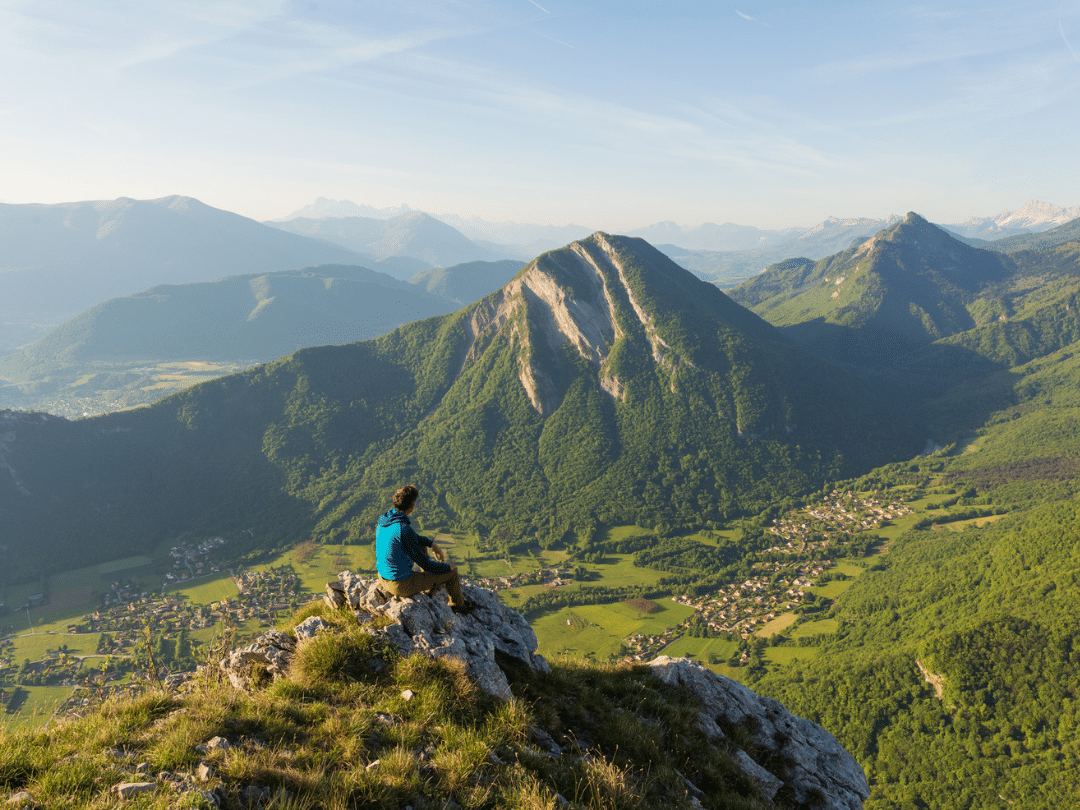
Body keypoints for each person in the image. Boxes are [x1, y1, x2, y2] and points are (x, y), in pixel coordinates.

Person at [375, 483, 473, 613]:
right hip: (400, 585)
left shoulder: (385, 519)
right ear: (412, 506)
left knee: (420, 546)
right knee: (452, 574)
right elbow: (426, 565)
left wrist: (431, 544)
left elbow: (412, 538)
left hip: (383, 577)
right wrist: (448, 567)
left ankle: (428, 585)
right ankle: (459, 608)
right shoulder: (403, 529)